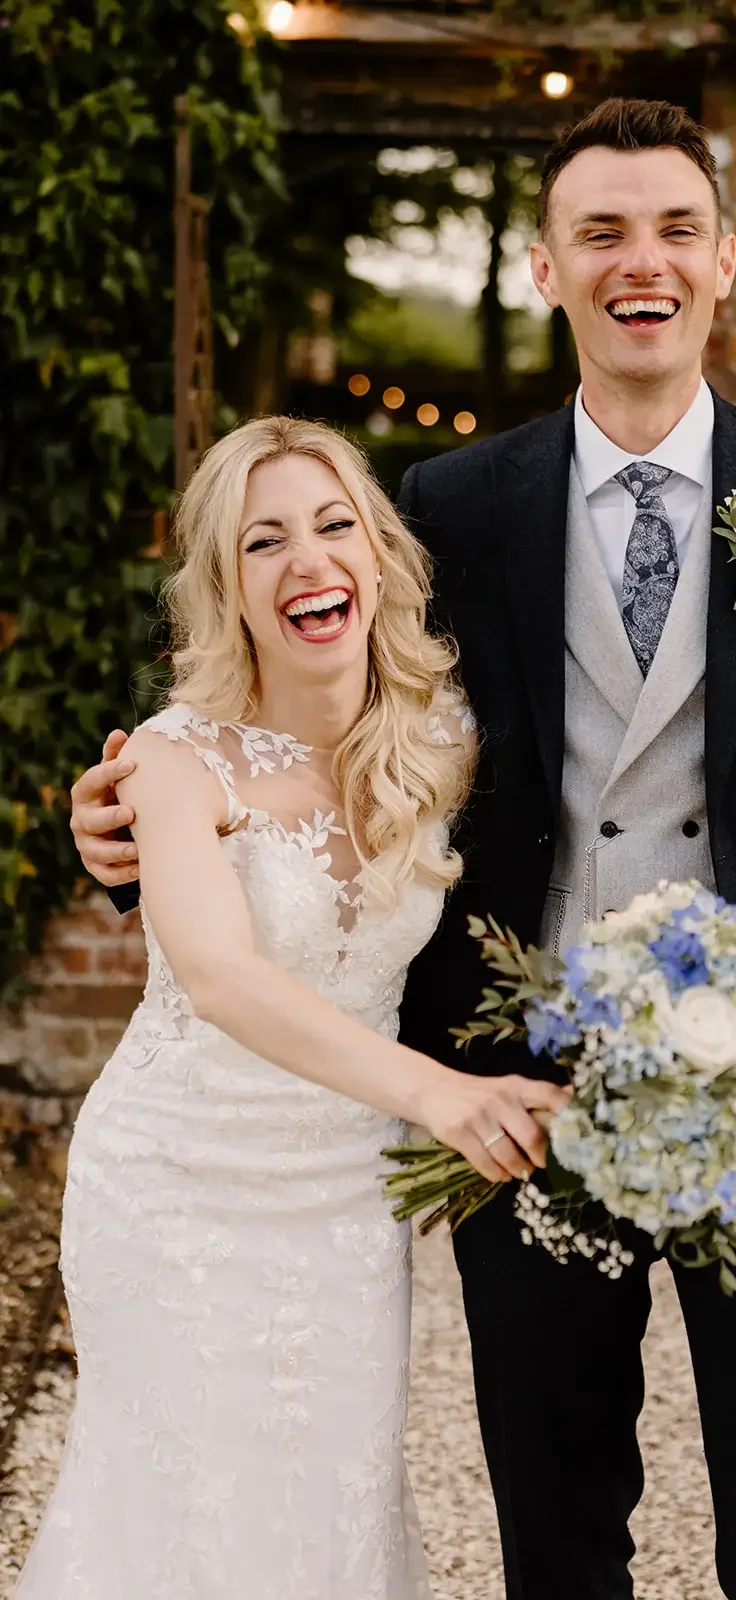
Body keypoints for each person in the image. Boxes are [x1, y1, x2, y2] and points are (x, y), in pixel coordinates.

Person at [71, 99, 736, 1600]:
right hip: (521, 1097)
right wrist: (142, 825)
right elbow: (336, 742)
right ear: (547, 269)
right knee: (556, 1541)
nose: (642, 262)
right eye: (599, 232)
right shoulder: (449, 505)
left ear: (724, 260)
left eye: (675, 228)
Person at [19, 416, 566, 1600]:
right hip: (172, 1189)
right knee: (176, 1519)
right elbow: (217, 976)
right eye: (263, 542)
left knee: (328, 1510)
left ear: (377, 556)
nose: (307, 562)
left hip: (341, 1206)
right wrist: (441, 1095)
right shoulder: (173, 759)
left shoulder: (448, 743)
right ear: (227, 585)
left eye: (333, 527)